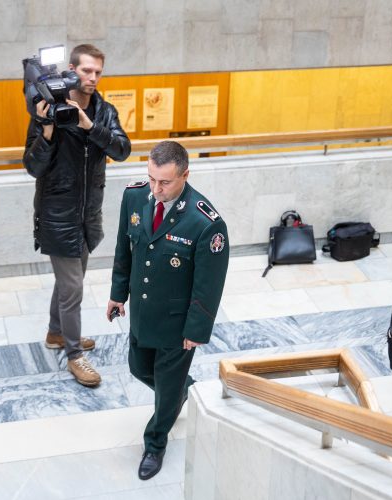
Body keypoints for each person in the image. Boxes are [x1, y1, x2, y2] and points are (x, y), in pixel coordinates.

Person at [106, 141, 229, 480]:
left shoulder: (205, 222)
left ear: (185, 175)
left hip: (177, 324)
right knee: (138, 368)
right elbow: (124, 249)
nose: (156, 190)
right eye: (151, 179)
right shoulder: (135, 196)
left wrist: (196, 329)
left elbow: (210, 284)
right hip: (144, 311)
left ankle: (155, 443)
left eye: (165, 182)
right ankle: (182, 390)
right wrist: (118, 294)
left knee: (165, 387)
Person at [23, 44, 131, 387]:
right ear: (71, 70)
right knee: (73, 288)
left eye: (98, 72)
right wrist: (49, 133)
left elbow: (122, 149)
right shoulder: (47, 111)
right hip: (57, 216)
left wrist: (88, 126)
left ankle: (57, 333)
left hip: (88, 214)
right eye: (87, 71)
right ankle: (74, 355)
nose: (93, 78)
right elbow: (32, 166)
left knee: (69, 283)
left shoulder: (104, 111)